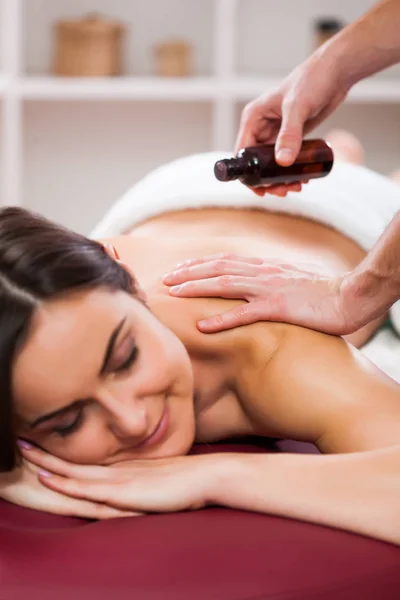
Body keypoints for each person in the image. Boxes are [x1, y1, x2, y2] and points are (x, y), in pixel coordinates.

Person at [1, 132, 400, 545]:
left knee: (360, 177)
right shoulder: (69, 321)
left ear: (134, 288)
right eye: (68, 422)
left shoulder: (269, 350)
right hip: (164, 208)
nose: (133, 421)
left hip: (333, 210)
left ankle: (365, 169)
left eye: (126, 359)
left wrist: (216, 476)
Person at [175, 0, 400, 336]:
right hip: (187, 192)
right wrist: (331, 64)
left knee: (348, 160)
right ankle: (350, 156)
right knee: (343, 157)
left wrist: (357, 293)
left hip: (344, 218)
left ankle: (351, 157)